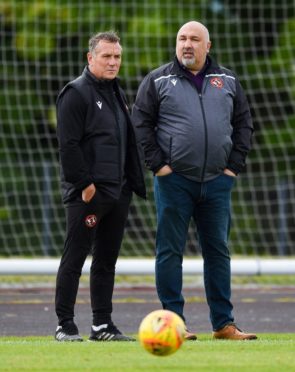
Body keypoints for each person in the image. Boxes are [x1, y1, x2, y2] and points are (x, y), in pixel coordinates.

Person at [132, 21, 257, 340]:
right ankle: (174, 323)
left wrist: (233, 168)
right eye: (182, 39)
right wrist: (159, 166)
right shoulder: (158, 79)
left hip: (218, 182)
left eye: (194, 39)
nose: (187, 44)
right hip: (174, 181)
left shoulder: (227, 79)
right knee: (169, 251)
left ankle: (224, 324)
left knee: (218, 250)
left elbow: (244, 123)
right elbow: (141, 125)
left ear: (208, 46)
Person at [55, 31, 146, 342]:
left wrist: (130, 184)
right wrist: (85, 185)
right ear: (90, 58)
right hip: (89, 196)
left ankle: (101, 325)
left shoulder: (116, 92)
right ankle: (64, 325)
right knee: (76, 257)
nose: (113, 62)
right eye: (106, 56)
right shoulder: (75, 93)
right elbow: (68, 146)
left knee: (106, 261)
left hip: (118, 193)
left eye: (117, 56)